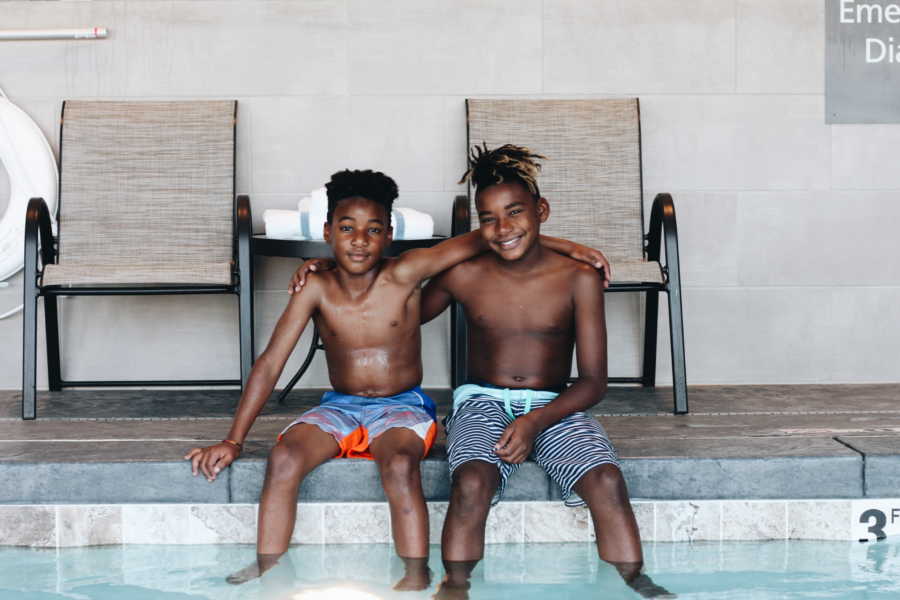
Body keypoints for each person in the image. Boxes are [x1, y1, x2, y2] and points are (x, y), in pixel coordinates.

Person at [187, 168, 606, 589]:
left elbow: (490, 236)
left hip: (402, 406)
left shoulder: (407, 272)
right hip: (340, 406)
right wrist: (233, 440)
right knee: (283, 459)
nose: (358, 240)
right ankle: (268, 571)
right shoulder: (315, 286)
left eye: (372, 230)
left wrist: (566, 247)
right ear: (327, 230)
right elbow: (270, 364)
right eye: (346, 229)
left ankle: (414, 574)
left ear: (388, 234)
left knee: (401, 464)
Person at [291, 145, 672, 599]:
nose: (503, 227)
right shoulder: (463, 275)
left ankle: (636, 584)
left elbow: (593, 382)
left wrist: (533, 422)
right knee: (471, 481)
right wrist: (333, 270)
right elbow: (392, 298)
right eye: (488, 218)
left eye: (514, 213)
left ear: (541, 210)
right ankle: (455, 586)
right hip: (481, 402)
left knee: (607, 480)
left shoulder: (578, 278)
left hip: (557, 405)